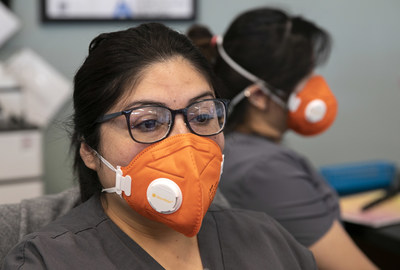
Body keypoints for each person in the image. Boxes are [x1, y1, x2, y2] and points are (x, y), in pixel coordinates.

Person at [2, 23, 316, 269]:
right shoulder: (47, 261)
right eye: (148, 123)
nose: (186, 141)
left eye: (202, 115)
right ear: (89, 151)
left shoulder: (270, 241)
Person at [187, 7, 378, 270]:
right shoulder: (266, 170)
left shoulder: (234, 148)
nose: (316, 88)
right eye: (302, 80)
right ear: (258, 96)